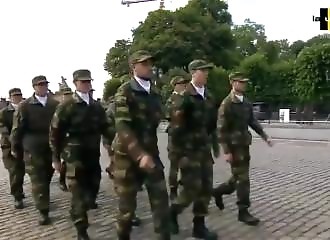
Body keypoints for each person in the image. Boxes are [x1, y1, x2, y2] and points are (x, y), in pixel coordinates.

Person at [50, 69, 115, 239]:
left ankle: (81, 209)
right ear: (75, 83)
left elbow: (106, 128)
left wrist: (115, 145)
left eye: (88, 81)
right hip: (74, 156)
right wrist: (56, 157)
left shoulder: (95, 105)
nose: (87, 84)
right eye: (83, 81)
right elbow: (55, 133)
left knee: (93, 189)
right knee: (78, 194)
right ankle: (81, 229)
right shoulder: (67, 106)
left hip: (92, 155)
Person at [112, 50, 171, 240]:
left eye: (150, 63)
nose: (149, 67)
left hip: (150, 153)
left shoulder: (154, 92)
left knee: (161, 200)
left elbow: (164, 115)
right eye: (144, 63)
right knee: (127, 209)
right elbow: (122, 126)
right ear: (133, 67)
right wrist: (139, 155)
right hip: (127, 156)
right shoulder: (124, 91)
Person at [212, 72, 273, 226]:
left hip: (244, 145)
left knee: (237, 178)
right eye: (240, 82)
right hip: (233, 147)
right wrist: (226, 151)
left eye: (245, 82)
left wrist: (265, 136)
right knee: (243, 179)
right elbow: (221, 129)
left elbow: (252, 121)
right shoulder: (227, 103)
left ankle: (217, 192)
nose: (244, 84)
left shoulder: (246, 102)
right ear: (233, 83)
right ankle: (243, 211)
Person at [169, 60, 218, 239]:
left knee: (205, 188)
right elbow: (175, 130)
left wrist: (214, 145)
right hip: (188, 153)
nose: (206, 74)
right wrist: (179, 155)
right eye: (203, 71)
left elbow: (212, 125)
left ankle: (199, 226)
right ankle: (172, 213)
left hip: (204, 152)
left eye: (207, 71)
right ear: (193, 73)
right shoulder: (184, 97)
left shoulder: (210, 97)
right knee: (190, 190)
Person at [10, 76, 59, 225]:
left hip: (51, 146)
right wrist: (14, 148)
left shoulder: (54, 104)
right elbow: (17, 129)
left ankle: (43, 198)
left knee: (47, 176)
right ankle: (43, 211)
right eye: (40, 85)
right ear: (34, 87)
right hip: (33, 148)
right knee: (38, 179)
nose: (43, 86)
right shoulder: (25, 106)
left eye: (45, 84)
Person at [0, 88, 25, 209]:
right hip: (9, 146)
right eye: (14, 95)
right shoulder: (4, 112)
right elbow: (3, 129)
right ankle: (17, 196)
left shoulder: (26, 108)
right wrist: (12, 142)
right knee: (15, 171)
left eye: (19, 95)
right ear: (10, 97)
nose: (17, 97)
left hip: (26, 145)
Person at [165, 76, 189, 201]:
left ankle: (184, 185)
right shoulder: (171, 100)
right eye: (181, 84)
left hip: (186, 137)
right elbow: (170, 115)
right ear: (175, 85)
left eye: (185, 83)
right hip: (174, 138)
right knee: (174, 166)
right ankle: (173, 189)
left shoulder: (187, 98)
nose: (184, 85)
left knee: (185, 164)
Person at [58, 83, 73, 192]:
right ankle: (62, 180)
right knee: (66, 161)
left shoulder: (74, 105)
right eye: (65, 95)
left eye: (69, 94)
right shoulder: (59, 107)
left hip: (75, 138)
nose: (67, 96)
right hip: (63, 139)